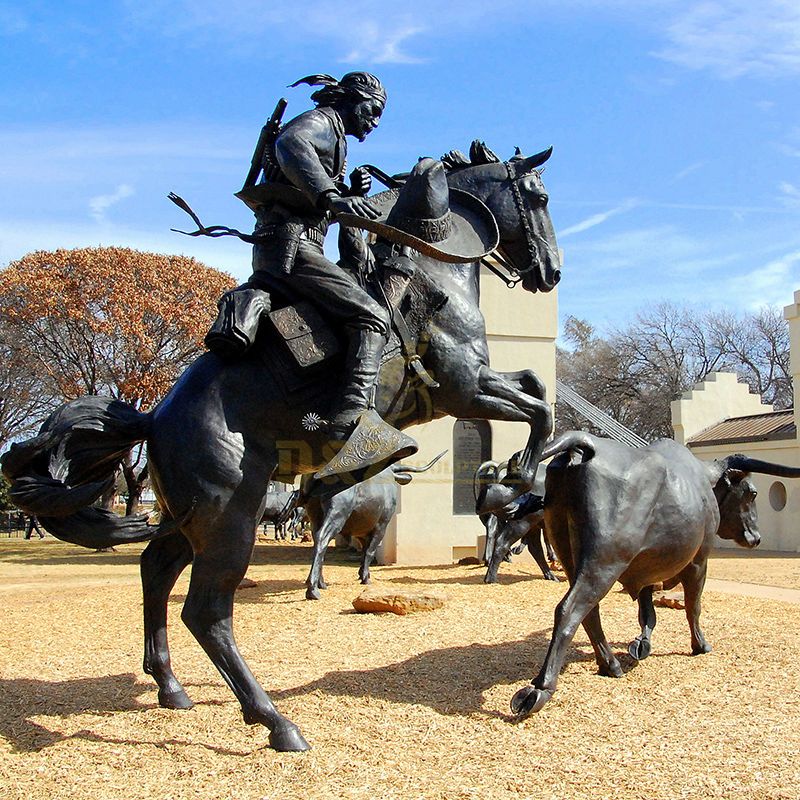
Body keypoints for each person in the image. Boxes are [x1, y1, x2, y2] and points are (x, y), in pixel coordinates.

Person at [247, 72, 401, 446]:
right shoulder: (319, 123)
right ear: (351, 99)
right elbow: (291, 142)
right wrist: (332, 196)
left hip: (296, 246)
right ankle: (352, 420)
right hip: (291, 249)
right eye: (373, 110)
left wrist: (345, 193)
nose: (374, 121)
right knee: (373, 315)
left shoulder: (336, 135)